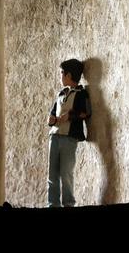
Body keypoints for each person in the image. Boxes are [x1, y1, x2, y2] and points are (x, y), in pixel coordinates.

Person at [46, 58, 92, 208]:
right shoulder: (61, 93)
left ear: (69, 75)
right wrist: (51, 119)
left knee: (66, 173)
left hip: (69, 138)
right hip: (55, 136)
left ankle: (68, 204)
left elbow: (87, 112)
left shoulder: (81, 93)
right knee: (52, 174)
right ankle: (52, 204)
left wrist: (71, 116)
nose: (60, 76)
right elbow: (52, 114)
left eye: (62, 73)